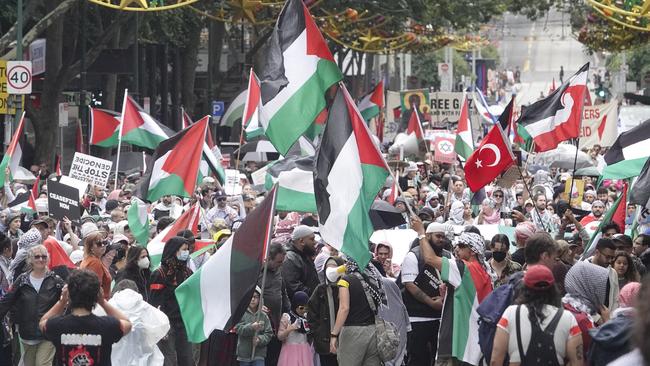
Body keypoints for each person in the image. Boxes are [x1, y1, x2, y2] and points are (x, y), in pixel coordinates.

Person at [412, 216, 493, 365]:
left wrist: (421, 233)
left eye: (462, 246)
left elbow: (429, 258)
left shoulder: (464, 268)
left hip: (458, 347)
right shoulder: (485, 272)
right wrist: (450, 294)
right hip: (477, 346)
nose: (456, 249)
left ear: (473, 251)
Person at [491, 265, 583, 366]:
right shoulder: (568, 318)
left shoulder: (510, 314)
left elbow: (495, 360)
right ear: (553, 289)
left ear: (524, 288)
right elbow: (577, 362)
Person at [40, 269, 132, 366]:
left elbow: (43, 322)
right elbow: (127, 323)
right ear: (96, 296)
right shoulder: (107, 325)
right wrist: (103, 302)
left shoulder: (57, 325)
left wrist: (62, 302)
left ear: (69, 295)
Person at [0, 245, 64, 366]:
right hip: (27, 334)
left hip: (48, 333)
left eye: (44, 256)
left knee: (42, 364)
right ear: (30, 259)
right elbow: (7, 301)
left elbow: (66, 302)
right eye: (37, 256)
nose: (41, 259)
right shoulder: (22, 280)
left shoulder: (56, 281)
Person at [400, 222, 450, 366]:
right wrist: (432, 303)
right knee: (418, 359)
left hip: (440, 319)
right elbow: (410, 285)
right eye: (438, 236)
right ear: (427, 236)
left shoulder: (448, 256)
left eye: (443, 237)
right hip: (417, 318)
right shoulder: (413, 255)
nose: (441, 239)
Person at [95, 279, 169, 365]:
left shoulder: (110, 306)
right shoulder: (144, 306)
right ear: (135, 291)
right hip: (142, 358)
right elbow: (163, 323)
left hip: (115, 358)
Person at [149, 236, 193, 366]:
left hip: (184, 324)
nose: (187, 252)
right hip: (167, 325)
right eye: (184, 249)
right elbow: (153, 304)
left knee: (187, 359)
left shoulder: (187, 273)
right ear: (174, 250)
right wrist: (159, 328)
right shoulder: (160, 274)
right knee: (168, 360)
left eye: (188, 249)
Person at [330, 259, 383, 366]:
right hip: (374, 331)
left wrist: (334, 334)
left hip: (352, 333)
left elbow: (344, 308)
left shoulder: (345, 280)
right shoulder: (374, 279)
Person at [562, 261, 615, 359]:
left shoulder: (566, 303)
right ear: (590, 285)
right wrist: (607, 322)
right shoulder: (583, 319)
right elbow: (602, 350)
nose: (602, 291)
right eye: (599, 286)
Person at [257, 242, 290, 366]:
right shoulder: (256, 272)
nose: (281, 265)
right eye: (278, 262)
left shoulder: (278, 271)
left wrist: (287, 310)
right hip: (260, 326)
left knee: (274, 357)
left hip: (277, 324)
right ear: (268, 258)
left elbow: (283, 292)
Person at [308, 256, 344, 366]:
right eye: (328, 267)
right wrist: (317, 332)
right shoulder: (320, 289)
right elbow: (311, 312)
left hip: (343, 339)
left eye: (334, 267)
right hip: (324, 340)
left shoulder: (345, 288)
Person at [235, 286, 273, 366]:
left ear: (260, 299)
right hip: (244, 354)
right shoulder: (242, 313)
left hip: (259, 353)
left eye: (255, 297)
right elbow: (238, 329)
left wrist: (260, 339)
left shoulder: (264, 316)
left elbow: (269, 333)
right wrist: (251, 327)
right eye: (250, 297)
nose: (252, 299)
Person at [282, 225, 319, 302]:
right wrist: (315, 294)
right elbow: (293, 286)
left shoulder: (305, 254)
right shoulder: (290, 258)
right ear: (301, 241)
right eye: (312, 239)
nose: (315, 242)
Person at [277, 291, 313, 366]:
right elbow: (280, 336)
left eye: (306, 308)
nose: (303, 310)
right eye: (301, 308)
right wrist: (289, 329)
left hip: (304, 351)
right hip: (290, 352)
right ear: (295, 305)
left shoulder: (306, 317)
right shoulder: (287, 317)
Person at [80, 231, 112, 300]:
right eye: (99, 244)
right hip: (99, 304)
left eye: (104, 242)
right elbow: (95, 289)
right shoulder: (94, 262)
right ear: (91, 247)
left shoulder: (90, 259)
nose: (103, 245)